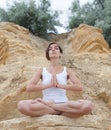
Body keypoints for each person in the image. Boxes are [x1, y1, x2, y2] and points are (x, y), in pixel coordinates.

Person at [17, 42, 93, 118]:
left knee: (88, 106)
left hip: (64, 104)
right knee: (22, 105)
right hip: (46, 105)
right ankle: (60, 112)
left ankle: (54, 109)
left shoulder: (67, 70)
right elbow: (29, 87)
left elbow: (79, 87)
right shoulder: (42, 71)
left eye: (56, 48)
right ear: (48, 54)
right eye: (50, 49)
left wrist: (59, 85)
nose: (53, 50)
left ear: (60, 54)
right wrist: (49, 85)